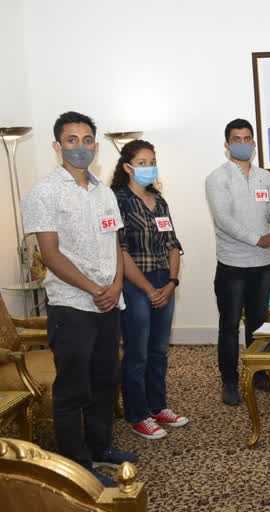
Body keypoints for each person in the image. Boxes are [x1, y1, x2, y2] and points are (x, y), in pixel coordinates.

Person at [20, 111, 136, 487]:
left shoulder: (104, 192)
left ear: (96, 146)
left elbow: (115, 242)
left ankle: (101, 447)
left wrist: (116, 285)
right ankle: (75, 463)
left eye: (87, 140)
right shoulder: (43, 192)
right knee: (73, 387)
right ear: (58, 146)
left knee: (105, 379)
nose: (81, 147)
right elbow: (50, 255)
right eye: (72, 140)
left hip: (108, 302)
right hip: (73, 303)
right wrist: (93, 288)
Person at [205, 118, 270, 406]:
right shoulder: (218, 178)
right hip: (232, 265)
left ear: (254, 143)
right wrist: (258, 239)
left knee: (259, 323)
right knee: (228, 325)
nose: (242, 144)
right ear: (227, 145)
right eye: (236, 139)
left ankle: (260, 373)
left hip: (262, 263)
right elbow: (224, 220)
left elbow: (265, 217)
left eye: (247, 138)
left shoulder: (265, 176)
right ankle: (229, 380)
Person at [111, 139, 188, 440]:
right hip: (133, 283)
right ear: (127, 167)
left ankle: (157, 406)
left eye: (152, 161)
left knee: (159, 350)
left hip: (163, 281)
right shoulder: (118, 200)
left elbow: (172, 244)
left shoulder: (159, 201)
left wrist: (171, 283)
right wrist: (147, 288)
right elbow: (121, 250)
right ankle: (137, 414)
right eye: (142, 162)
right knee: (137, 352)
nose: (149, 167)